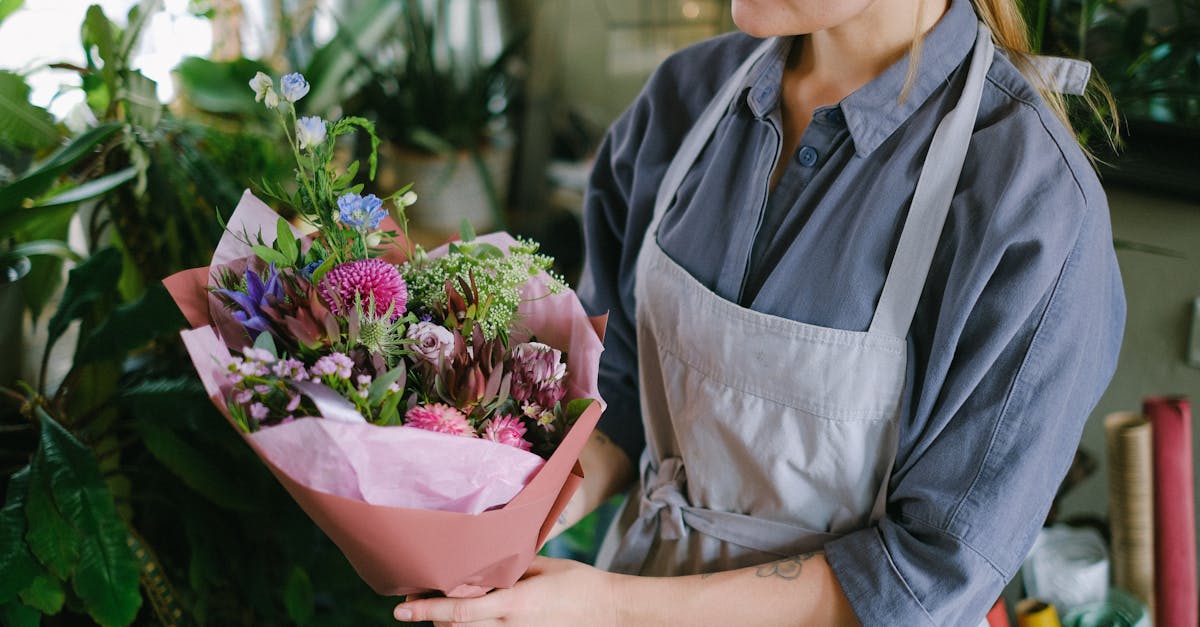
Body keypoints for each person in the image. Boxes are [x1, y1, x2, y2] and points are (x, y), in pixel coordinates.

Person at [393, 0, 1125, 623]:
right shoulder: (686, 98)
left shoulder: (1033, 206)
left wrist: (614, 606)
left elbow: (923, 578)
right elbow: (615, 392)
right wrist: (485, 517)